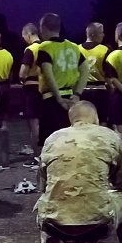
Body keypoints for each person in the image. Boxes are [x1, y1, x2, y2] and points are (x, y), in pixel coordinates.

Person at [36, 101, 122, 243]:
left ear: (71, 120)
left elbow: (42, 185)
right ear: (96, 119)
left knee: (47, 200)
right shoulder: (110, 137)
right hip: (99, 221)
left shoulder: (52, 139)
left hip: (54, 223)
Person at [36, 12, 89, 148]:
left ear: (43, 28)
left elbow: (48, 75)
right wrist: (77, 94)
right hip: (71, 98)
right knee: (69, 142)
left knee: (50, 144)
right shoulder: (73, 46)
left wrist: (58, 98)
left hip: (52, 99)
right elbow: (85, 69)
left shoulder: (45, 47)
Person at [17, 23, 43, 159]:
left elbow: (22, 73)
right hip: (45, 87)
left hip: (31, 89)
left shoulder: (30, 49)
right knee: (44, 122)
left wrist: (22, 79)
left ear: (28, 34)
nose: (24, 39)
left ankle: (37, 155)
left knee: (34, 123)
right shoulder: (46, 47)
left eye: (24, 36)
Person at [79, 22, 110, 124]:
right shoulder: (104, 50)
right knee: (101, 122)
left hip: (81, 91)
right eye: (101, 32)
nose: (103, 35)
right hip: (100, 92)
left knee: (83, 122)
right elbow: (108, 74)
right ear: (92, 34)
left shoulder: (76, 49)